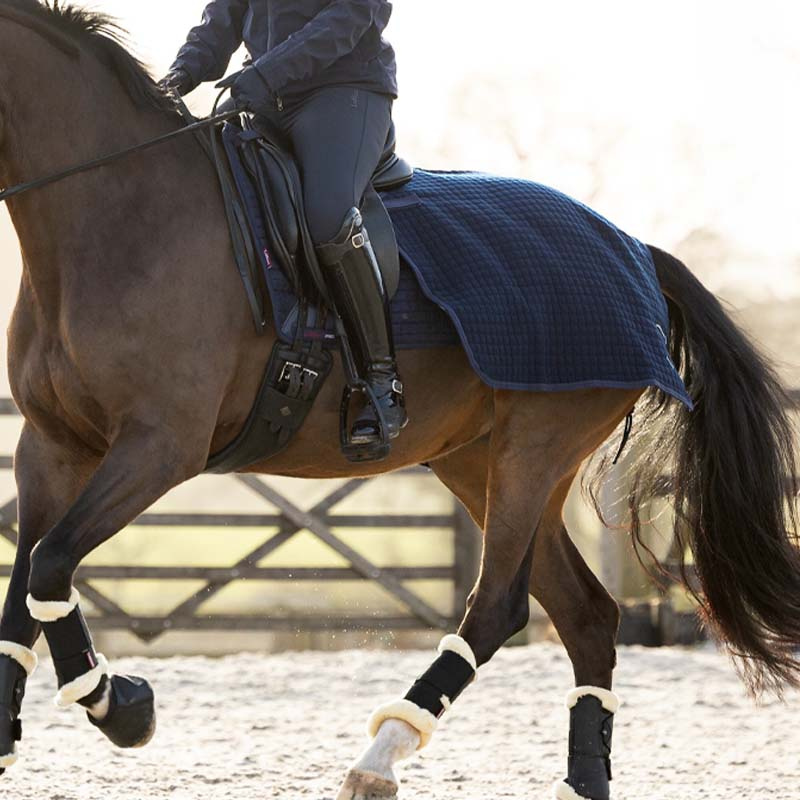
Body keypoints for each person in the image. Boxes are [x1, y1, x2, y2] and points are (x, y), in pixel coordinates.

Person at [163, 0, 406, 447]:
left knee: (329, 218)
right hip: (266, 96)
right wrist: (181, 73)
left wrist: (268, 72)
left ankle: (381, 383)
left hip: (343, 90)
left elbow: (353, 15)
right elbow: (223, 18)